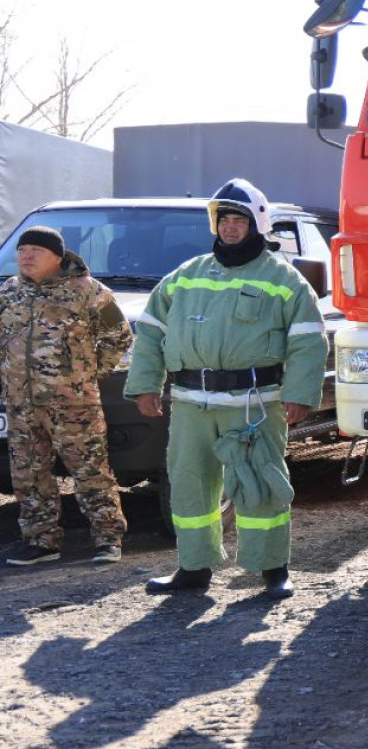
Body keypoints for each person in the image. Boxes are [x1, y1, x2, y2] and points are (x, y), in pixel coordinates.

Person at [127, 180, 326, 599]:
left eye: (239, 219)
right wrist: (145, 385)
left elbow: (309, 339)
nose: (231, 228)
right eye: (224, 220)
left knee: (259, 484)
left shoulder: (282, 278)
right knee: (188, 483)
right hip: (190, 405)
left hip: (253, 404)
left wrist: (300, 394)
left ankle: (272, 569)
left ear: (258, 224)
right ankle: (193, 569)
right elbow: (149, 332)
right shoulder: (187, 275)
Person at [0, 227, 133, 566]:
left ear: (57, 257)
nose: (26, 256)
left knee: (89, 471)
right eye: (23, 250)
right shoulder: (10, 293)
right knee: (29, 475)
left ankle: (107, 538)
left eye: (35, 250)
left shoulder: (88, 292)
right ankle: (42, 542)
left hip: (75, 404)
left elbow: (119, 337)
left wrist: (87, 375)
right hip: (22, 404)